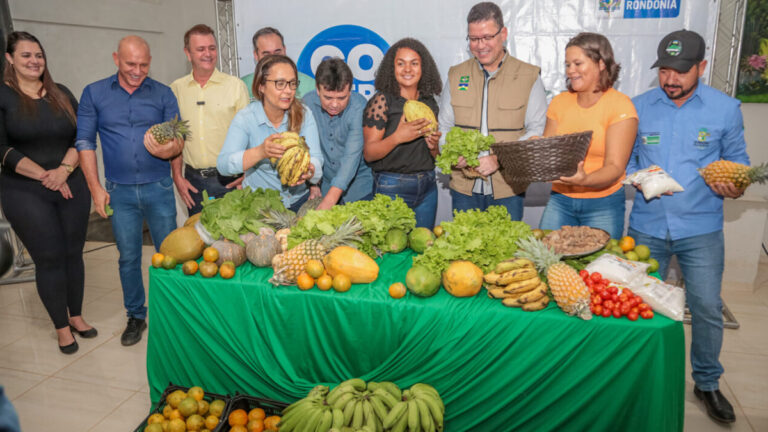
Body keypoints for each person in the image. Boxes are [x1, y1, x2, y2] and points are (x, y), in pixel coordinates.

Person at [628, 29, 747, 424]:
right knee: (642, 304)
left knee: (708, 307)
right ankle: (641, 377)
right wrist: (640, 176)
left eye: (680, 71)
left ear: (702, 67)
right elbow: (624, 163)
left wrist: (734, 185)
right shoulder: (638, 107)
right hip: (647, 224)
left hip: (701, 227)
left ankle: (708, 383)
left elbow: (738, 164)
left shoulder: (725, 109)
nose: (670, 80)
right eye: (664, 70)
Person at [76, 36, 183, 346]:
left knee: (168, 254)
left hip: (159, 187)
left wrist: (169, 149)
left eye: (144, 65)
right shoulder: (94, 93)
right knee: (128, 257)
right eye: (131, 64)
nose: (138, 71)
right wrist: (95, 188)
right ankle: (136, 316)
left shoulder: (163, 93)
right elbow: (84, 142)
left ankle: (172, 314)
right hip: (118, 191)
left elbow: (178, 139)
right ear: (115, 59)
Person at [0, 31, 94, 354]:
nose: (34, 61)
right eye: (26, 55)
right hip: (25, 189)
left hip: (70, 182)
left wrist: (64, 171)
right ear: (10, 58)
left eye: (38, 55)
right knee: (50, 256)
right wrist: (45, 175)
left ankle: (77, 316)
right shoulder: (3, 96)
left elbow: (82, 137)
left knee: (73, 253)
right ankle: (62, 328)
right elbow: (2, 150)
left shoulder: (62, 93)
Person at [437, 1, 547, 220]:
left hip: (508, 189)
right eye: (474, 39)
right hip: (464, 189)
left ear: (503, 33)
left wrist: (499, 159)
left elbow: (536, 130)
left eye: (487, 37)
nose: (480, 45)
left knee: (505, 253)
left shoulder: (528, 75)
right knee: (464, 253)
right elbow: (445, 127)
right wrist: (451, 153)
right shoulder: (456, 75)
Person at [538, 32, 638, 238]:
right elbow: (549, 156)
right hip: (560, 199)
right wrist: (536, 150)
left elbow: (615, 167)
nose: (570, 71)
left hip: (603, 203)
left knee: (599, 267)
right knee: (548, 264)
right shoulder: (559, 102)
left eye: (577, 63)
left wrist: (584, 180)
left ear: (601, 63)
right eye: (567, 65)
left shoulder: (620, 105)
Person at [217, 54, 322, 212]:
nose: (288, 91)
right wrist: (260, 152)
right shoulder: (246, 118)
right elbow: (223, 165)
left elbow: (317, 159)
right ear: (261, 86)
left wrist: (310, 170)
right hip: (260, 207)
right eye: (280, 84)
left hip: (299, 202)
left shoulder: (304, 113)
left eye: (292, 84)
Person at [170, 24, 249, 215]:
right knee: (197, 242)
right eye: (201, 49)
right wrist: (177, 177)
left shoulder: (235, 86)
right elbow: (175, 139)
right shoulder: (175, 90)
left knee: (233, 243)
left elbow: (250, 135)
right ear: (188, 54)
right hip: (194, 183)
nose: (208, 54)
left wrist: (248, 174)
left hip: (231, 180)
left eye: (212, 48)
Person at [363, 38, 442, 228]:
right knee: (391, 251)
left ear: (423, 68)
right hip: (391, 186)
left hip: (428, 185)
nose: (408, 69)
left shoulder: (429, 102)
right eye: (401, 64)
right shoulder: (382, 101)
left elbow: (436, 157)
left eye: (414, 63)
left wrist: (433, 147)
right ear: (392, 69)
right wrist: (398, 137)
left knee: (423, 247)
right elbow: (369, 154)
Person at [303, 58, 372, 210]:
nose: (334, 104)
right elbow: (306, 148)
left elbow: (351, 157)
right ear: (317, 89)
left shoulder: (359, 106)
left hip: (359, 187)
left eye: (342, 98)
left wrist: (329, 201)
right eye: (327, 97)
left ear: (350, 89)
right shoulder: (306, 104)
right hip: (324, 183)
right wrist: (313, 183)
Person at [241, 27, 315, 99]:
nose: (273, 58)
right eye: (266, 54)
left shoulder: (309, 86)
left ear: (284, 50)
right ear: (256, 55)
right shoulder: (242, 87)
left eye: (277, 52)